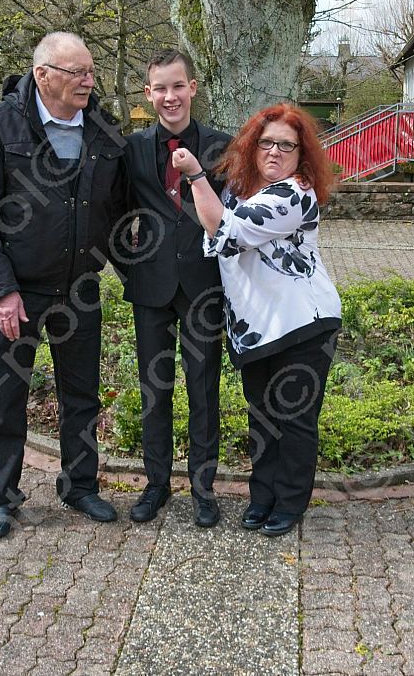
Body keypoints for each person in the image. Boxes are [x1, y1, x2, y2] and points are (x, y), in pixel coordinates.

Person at [0, 32, 126, 539]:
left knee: (83, 395)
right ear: (43, 74)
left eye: (91, 72)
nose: (88, 82)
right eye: (77, 72)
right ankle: (2, 497)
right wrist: (1, 289)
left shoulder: (102, 130)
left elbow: (118, 210)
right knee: (7, 396)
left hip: (80, 290)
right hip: (18, 293)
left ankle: (80, 485)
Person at [172, 103, 341, 536]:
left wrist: (193, 176)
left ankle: (289, 503)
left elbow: (225, 231)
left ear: (301, 154)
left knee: (295, 420)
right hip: (255, 330)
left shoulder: (294, 194)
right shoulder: (238, 190)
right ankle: (261, 496)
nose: (275, 152)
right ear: (252, 146)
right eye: (267, 143)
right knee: (262, 418)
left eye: (287, 145)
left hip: (303, 324)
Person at [115, 49, 231, 527]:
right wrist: (131, 272)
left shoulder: (224, 147)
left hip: (204, 288)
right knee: (154, 391)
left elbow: (234, 217)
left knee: (204, 392)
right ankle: (156, 484)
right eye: (159, 88)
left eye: (177, 86)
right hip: (150, 289)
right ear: (148, 94)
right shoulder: (133, 149)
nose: (169, 96)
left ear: (193, 87)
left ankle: (203, 489)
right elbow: (117, 218)